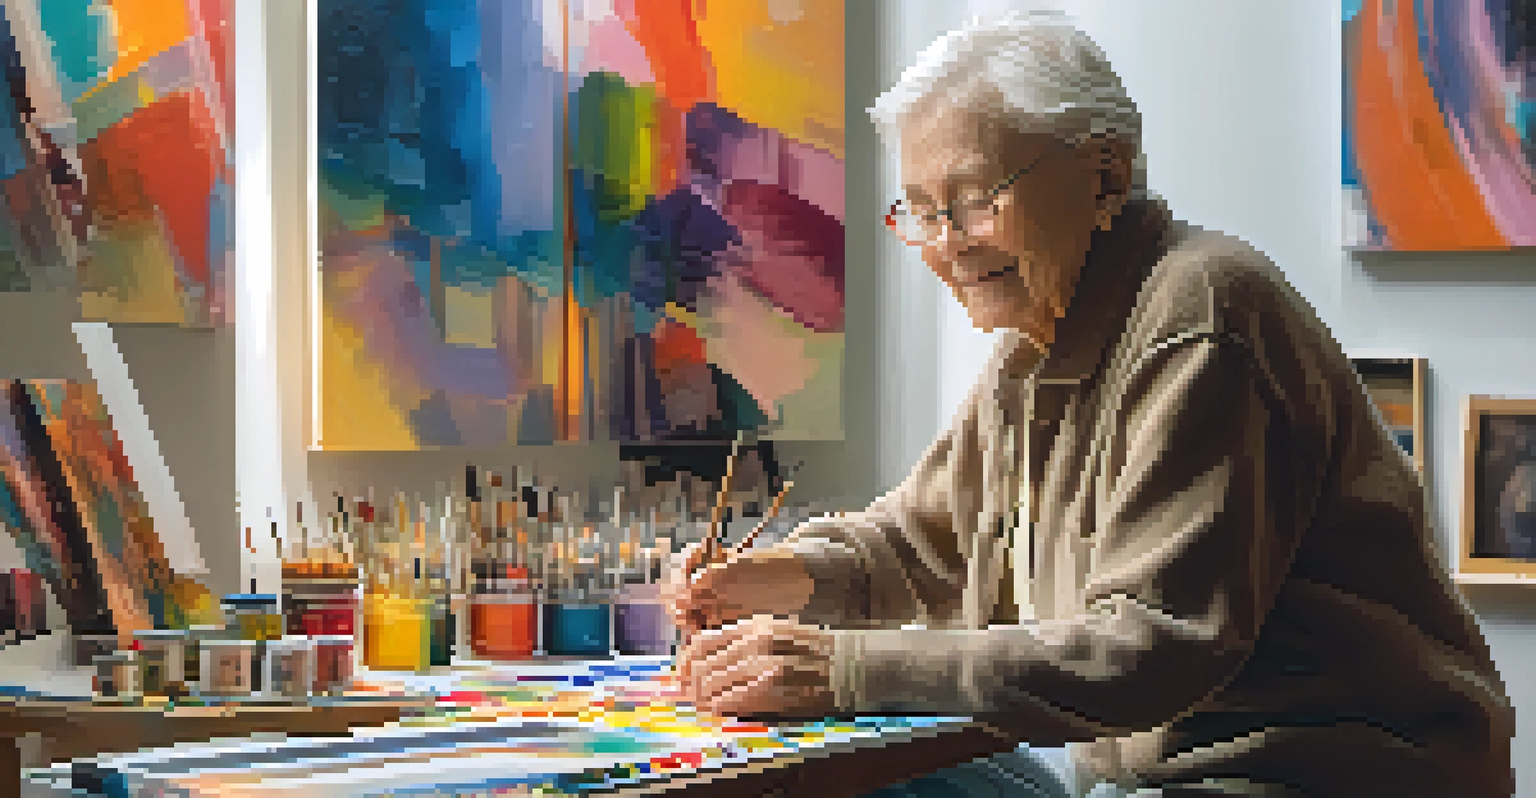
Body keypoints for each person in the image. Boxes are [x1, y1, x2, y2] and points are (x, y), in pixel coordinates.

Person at [668, 11, 1515, 798]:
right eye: (922, 214)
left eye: (972, 203)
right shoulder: (1036, 347)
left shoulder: (1202, 312)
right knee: (833, 777)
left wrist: (844, 671)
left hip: (1321, 776)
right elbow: (923, 546)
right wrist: (778, 577)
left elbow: (1151, 647)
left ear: (1105, 173)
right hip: (1148, 778)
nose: (947, 245)